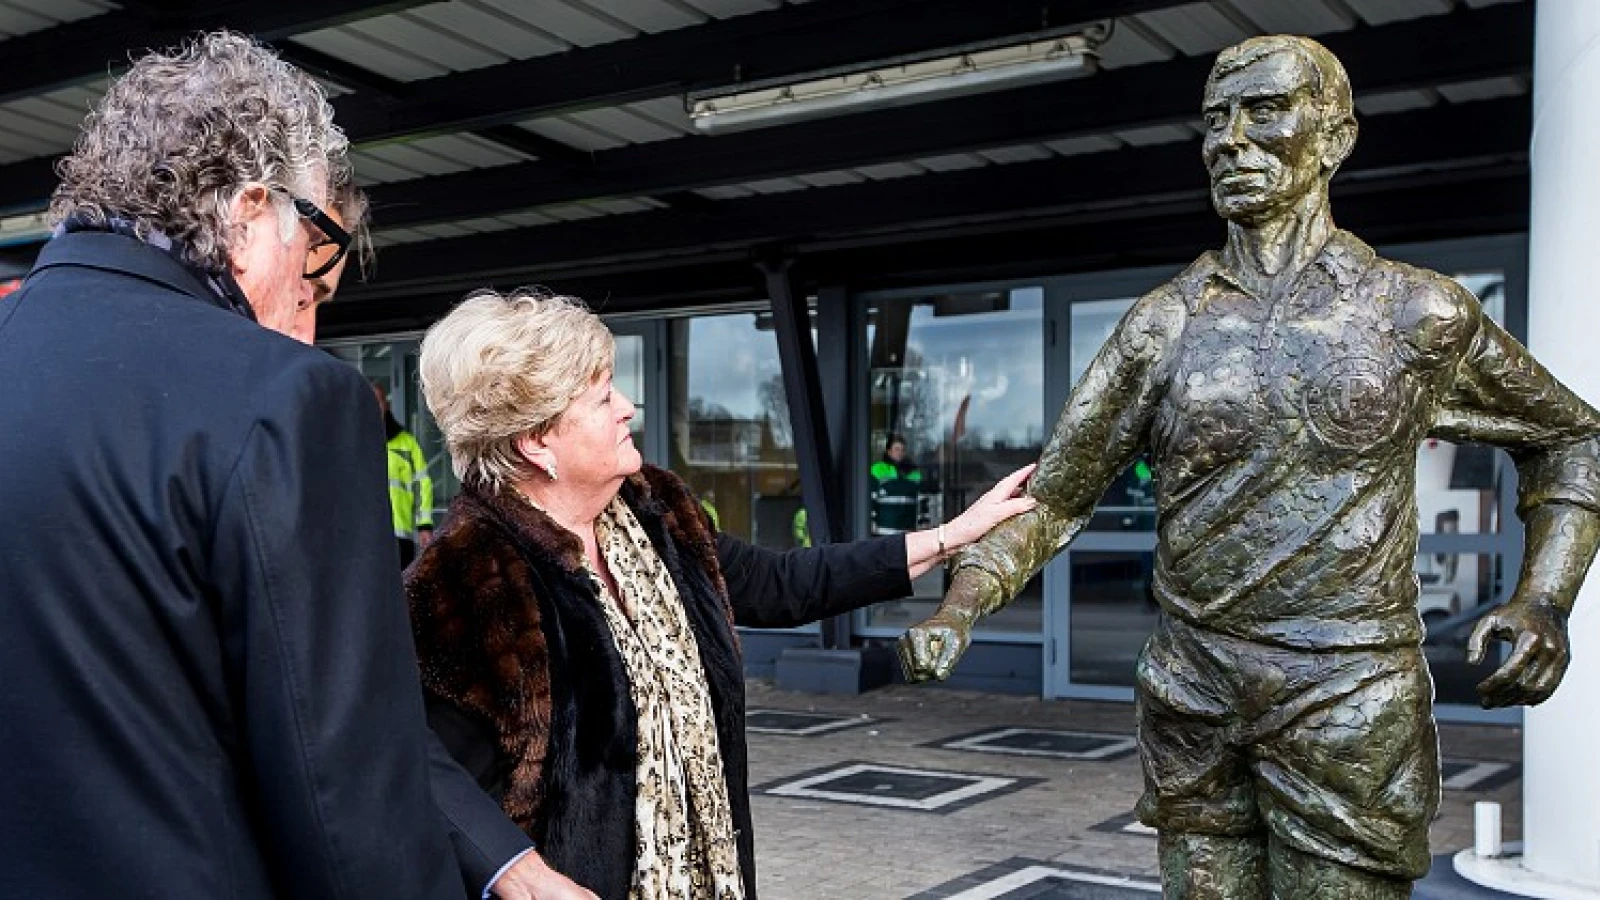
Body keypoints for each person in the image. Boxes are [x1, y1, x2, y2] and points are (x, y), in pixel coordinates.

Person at [900, 35, 1600, 900]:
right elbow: (1055, 497)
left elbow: (1574, 439)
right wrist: (962, 605)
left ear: (1335, 138)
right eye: (1214, 120)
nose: (1229, 140)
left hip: (1350, 697)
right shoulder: (1164, 326)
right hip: (1194, 692)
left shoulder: (1416, 314)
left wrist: (1545, 599)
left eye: (1263, 112)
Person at [0, 32, 542, 898]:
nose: (307, 321)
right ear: (252, 213)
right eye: (313, 263)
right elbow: (350, 805)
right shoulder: (286, 400)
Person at [405, 289, 1036, 899]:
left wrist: (951, 536)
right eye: (601, 400)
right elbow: (415, 759)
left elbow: (782, 583)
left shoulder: (658, 511)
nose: (628, 407)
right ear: (536, 441)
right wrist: (518, 872)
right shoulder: (467, 578)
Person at [374, 380, 436, 567]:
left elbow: (422, 484)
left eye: (377, 401)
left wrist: (424, 525)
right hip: (366, 537)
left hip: (400, 537)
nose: (373, 407)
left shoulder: (407, 444)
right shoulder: (354, 443)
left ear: (386, 404)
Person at [869, 434, 925, 533]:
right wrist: (871, 522)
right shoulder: (878, 469)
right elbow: (871, 498)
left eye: (902, 450)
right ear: (889, 451)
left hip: (907, 530)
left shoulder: (913, 473)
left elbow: (922, 500)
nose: (900, 453)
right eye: (896, 449)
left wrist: (923, 523)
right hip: (884, 529)